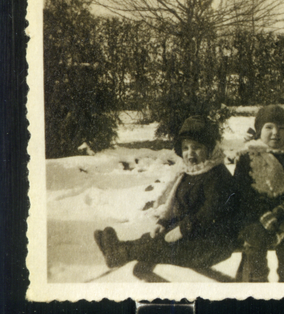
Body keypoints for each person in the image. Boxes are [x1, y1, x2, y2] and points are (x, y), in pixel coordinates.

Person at [93, 115, 240, 272]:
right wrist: (163, 223)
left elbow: (211, 211)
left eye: (196, 147)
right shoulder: (188, 172)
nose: (190, 154)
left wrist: (184, 229)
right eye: (185, 148)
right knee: (153, 238)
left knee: (161, 245)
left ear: (209, 148)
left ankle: (120, 253)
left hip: (211, 243)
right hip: (191, 233)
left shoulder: (217, 175)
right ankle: (118, 248)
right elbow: (175, 201)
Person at [234, 105, 284, 282]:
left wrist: (280, 212)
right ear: (259, 131)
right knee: (254, 236)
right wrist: (263, 213)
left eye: (282, 128)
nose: (275, 133)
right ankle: (258, 277)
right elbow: (243, 192)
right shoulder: (247, 157)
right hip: (254, 213)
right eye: (269, 127)